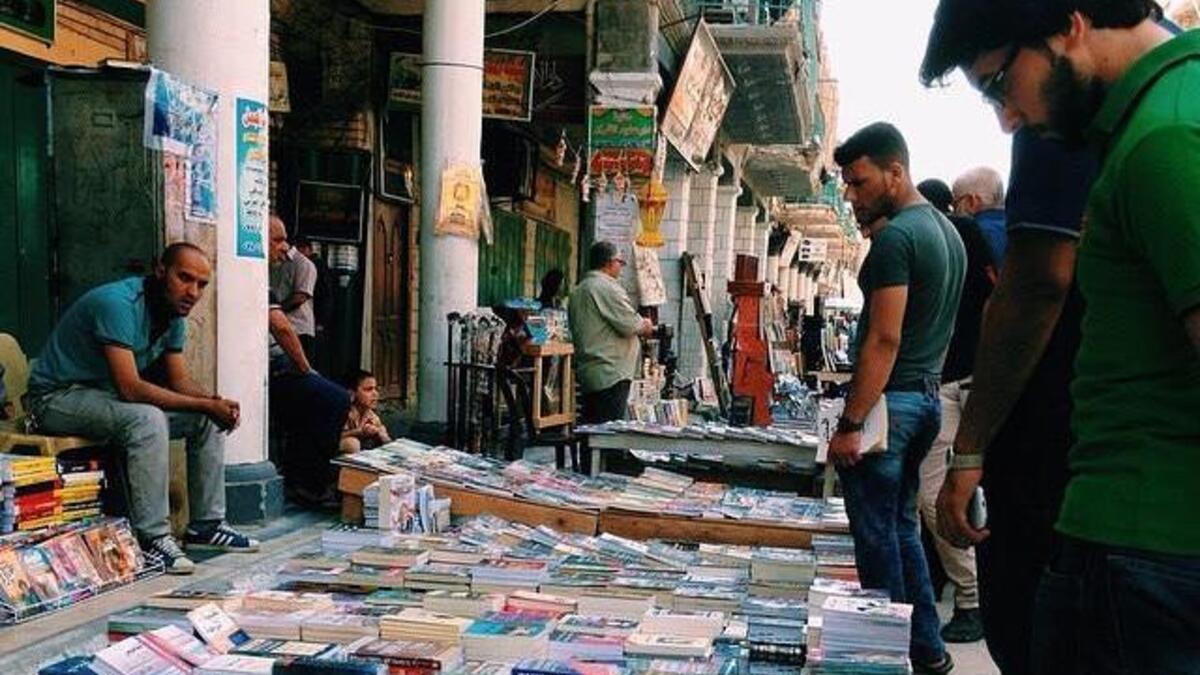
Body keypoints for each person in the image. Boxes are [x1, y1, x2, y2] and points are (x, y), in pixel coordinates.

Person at [922, 2, 1200, 672]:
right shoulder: (1155, 112)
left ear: (1070, 25)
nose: (1007, 118)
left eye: (997, 84)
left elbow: (1037, 282)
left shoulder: (1164, 137)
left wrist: (971, 449)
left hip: (1141, 554)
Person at [23, 243, 258, 574]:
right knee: (147, 419)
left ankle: (206, 526)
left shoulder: (174, 313)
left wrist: (213, 403)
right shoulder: (117, 304)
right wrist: (206, 403)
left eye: (202, 284)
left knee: (203, 419)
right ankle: (153, 539)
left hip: (104, 398)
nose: (193, 292)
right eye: (184, 278)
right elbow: (131, 388)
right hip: (56, 398)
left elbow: (179, 381)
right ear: (160, 271)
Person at [828, 123, 965, 675]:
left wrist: (851, 420)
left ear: (895, 172)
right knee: (903, 527)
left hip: (893, 405)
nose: (854, 195)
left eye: (860, 183)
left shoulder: (898, 239)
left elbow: (885, 338)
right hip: (925, 398)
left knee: (877, 536)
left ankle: (883, 657)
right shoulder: (946, 232)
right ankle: (926, 652)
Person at [915, 178, 997, 644]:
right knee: (964, 493)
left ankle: (971, 598)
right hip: (977, 381)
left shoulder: (938, 234)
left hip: (947, 383)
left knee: (933, 494)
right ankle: (967, 592)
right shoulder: (975, 234)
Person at [267, 218, 352, 506]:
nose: (284, 247)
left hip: (281, 357)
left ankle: (306, 479)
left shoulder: (300, 267)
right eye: (277, 240)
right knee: (333, 399)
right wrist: (305, 369)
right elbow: (280, 325)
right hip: (272, 366)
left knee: (323, 400)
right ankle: (310, 482)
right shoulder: (254, 275)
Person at [568, 242, 654, 475]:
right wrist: (646, 324)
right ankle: (603, 475)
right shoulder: (605, 287)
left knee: (593, 426)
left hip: (592, 368)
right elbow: (630, 324)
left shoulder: (579, 289)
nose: (621, 267)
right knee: (607, 430)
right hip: (610, 370)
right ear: (609, 263)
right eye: (620, 262)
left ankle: (589, 472)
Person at [270, 216, 319, 359]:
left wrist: (276, 310)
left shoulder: (304, 264)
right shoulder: (273, 262)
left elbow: (301, 296)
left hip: (298, 329)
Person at [950, 167, 1007, 264]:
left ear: (972, 201)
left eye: (955, 204)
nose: (953, 211)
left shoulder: (970, 236)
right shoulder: (1019, 229)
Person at [340, 370, 390, 454]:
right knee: (351, 443)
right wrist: (359, 432)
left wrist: (382, 435)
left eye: (375, 389)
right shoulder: (343, 411)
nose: (375, 394)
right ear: (352, 393)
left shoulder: (371, 415)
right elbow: (331, 437)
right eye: (368, 389)